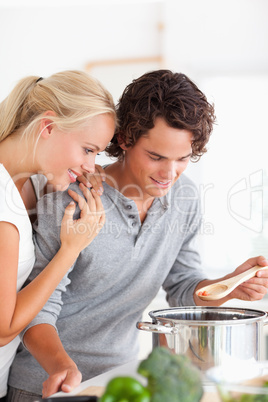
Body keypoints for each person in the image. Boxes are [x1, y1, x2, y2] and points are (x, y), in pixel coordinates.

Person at [7, 70, 268, 401]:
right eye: (156, 157)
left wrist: (229, 286)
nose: (168, 174)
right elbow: (37, 310)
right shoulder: (71, 198)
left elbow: (183, 287)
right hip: (47, 386)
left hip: (124, 381)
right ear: (126, 139)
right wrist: (62, 367)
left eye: (183, 159)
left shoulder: (184, 199)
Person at [0, 70, 116, 400]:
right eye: (88, 149)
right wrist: (70, 249)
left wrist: (77, 173)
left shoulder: (31, 182)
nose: (92, 165)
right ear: (48, 127)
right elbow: (4, 328)